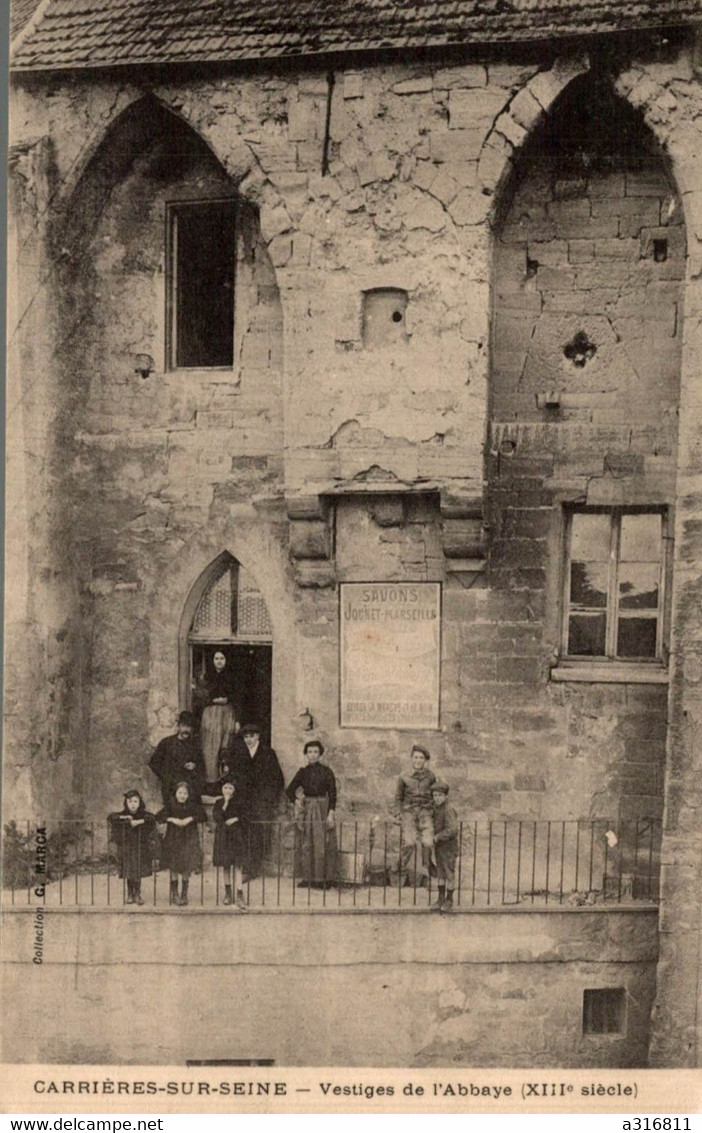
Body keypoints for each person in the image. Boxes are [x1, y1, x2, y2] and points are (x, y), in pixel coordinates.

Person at [228, 723, 284, 877]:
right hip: (244, 802)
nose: (249, 740)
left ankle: (253, 869)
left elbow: (277, 779)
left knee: (258, 834)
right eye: (246, 737)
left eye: (252, 736)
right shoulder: (239, 754)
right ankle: (247, 868)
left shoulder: (267, 753)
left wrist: (269, 800)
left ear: (258, 736)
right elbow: (233, 776)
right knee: (244, 833)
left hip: (261, 803)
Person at [285, 741, 338, 888]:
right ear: (306, 754)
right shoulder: (302, 772)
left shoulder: (327, 772)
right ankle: (308, 878)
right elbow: (289, 791)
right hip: (307, 810)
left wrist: (331, 814)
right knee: (306, 843)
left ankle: (323, 880)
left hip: (322, 809)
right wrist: (297, 801)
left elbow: (333, 794)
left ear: (320, 754)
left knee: (323, 844)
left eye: (315, 752)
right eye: (310, 752)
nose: (313, 755)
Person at [156, 781, 206, 906]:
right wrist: (172, 819)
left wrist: (190, 819)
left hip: (189, 839)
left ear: (188, 795)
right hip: (173, 839)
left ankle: (184, 894)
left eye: (185, 793)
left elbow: (203, 816)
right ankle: (175, 894)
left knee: (186, 865)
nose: (182, 795)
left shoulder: (192, 805)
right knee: (174, 865)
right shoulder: (170, 805)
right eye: (180, 793)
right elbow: (158, 817)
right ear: (175, 793)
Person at [393, 744, 436, 885]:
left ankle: (427, 866)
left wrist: (433, 812)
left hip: (425, 812)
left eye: (421, 758)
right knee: (410, 842)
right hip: (409, 812)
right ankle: (399, 865)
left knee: (428, 843)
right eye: (416, 757)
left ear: (425, 761)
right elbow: (398, 798)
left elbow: (435, 796)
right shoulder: (403, 777)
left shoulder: (431, 777)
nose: (418, 760)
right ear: (411, 759)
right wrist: (399, 813)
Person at [107, 790, 157, 905]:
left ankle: (138, 894)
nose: (133, 804)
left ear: (139, 803)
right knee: (129, 870)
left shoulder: (143, 815)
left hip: (140, 846)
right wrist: (125, 818)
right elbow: (110, 817)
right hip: (127, 846)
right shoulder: (123, 814)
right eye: (130, 802)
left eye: (135, 801)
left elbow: (152, 818)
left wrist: (139, 821)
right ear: (126, 803)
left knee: (138, 870)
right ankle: (130, 893)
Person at [200, 651, 239, 787]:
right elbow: (201, 695)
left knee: (225, 744)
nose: (219, 661)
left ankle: (224, 782)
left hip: (227, 713)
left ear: (226, 660)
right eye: (216, 658)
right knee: (210, 746)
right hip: (210, 714)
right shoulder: (207, 677)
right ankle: (211, 781)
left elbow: (237, 697)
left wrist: (237, 720)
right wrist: (213, 700)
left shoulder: (232, 677)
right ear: (212, 661)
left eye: (222, 658)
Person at [149, 711, 205, 804]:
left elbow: (201, 765)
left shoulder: (195, 745)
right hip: (170, 787)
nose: (186, 729)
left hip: (189, 787)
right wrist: (166, 776)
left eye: (189, 727)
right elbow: (153, 762)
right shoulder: (166, 743)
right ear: (178, 727)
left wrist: (194, 766)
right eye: (183, 726)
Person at [212, 777, 248, 910]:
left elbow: (245, 817)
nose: (227, 790)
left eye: (230, 788)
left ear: (234, 791)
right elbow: (217, 817)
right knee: (226, 865)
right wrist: (225, 803)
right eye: (225, 787)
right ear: (222, 789)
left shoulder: (239, 802)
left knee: (238, 865)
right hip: (223, 836)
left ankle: (239, 893)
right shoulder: (218, 802)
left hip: (236, 836)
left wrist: (236, 819)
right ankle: (228, 892)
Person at [431, 781, 458, 911]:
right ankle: (440, 898)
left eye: (440, 795)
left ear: (446, 796)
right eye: (435, 795)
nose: (437, 798)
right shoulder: (436, 808)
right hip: (439, 847)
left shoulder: (448, 809)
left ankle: (449, 900)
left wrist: (437, 837)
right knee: (440, 873)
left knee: (449, 873)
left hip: (449, 848)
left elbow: (452, 830)